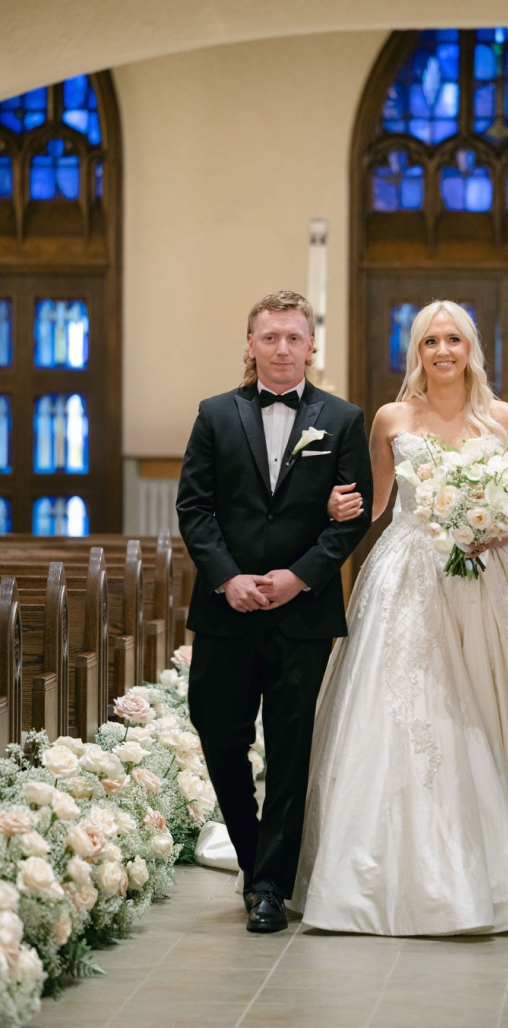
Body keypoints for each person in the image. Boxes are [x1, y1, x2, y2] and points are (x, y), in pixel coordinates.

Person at [292, 300, 508, 935]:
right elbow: (378, 499)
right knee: (407, 709)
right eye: (429, 341)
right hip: (408, 575)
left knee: (489, 707)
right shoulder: (392, 417)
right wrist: (333, 504)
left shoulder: (504, 419)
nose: (442, 351)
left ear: (472, 346)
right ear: (416, 351)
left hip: (484, 577)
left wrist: (489, 529)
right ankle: (379, 876)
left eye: (453, 339)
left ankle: (504, 866)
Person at [176, 290, 374, 933]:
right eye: (270, 338)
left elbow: (355, 513)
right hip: (226, 609)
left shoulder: (342, 420)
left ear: (311, 345)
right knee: (220, 734)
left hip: (302, 612)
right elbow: (195, 509)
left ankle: (269, 887)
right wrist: (227, 578)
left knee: (291, 748)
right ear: (251, 345)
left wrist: (302, 576)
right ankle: (252, 847)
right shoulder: (214, 415)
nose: (282, 349)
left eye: (294, 337)